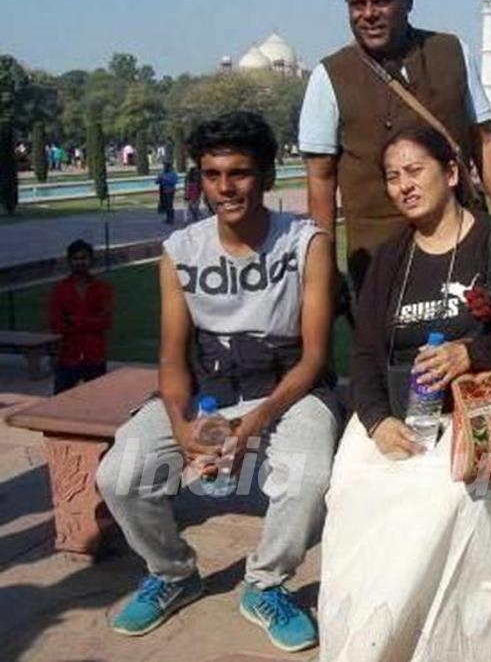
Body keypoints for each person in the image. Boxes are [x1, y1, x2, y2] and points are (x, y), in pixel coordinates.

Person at [318, 125, 491, 662]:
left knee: (436, 501)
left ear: (451, 172)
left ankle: (434, 642)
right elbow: (368, 350)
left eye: (414, 171)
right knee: (350, 493)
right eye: (392, 177)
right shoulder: (392, 258)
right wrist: (374, 420)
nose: (403, 186)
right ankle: (369, 641)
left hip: (474, 419)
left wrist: (473, 353)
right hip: (400, 413)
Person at [96, 111, 339, 652]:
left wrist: (255, 422)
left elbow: (314, 356)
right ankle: (173, 572)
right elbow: (171, 358)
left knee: (308, 476)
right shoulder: (182, 250)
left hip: (286, 384)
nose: (225, 188)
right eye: (212, 174)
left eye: (240, 173)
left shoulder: (306, 243)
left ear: (268, 177)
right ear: (199, 179)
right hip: (210, 385)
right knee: (120, 474)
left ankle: (266, 583)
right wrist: (184, 427)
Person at [299, 0, 491, 294]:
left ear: (408, 0)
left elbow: (485, 141)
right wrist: (324, 265)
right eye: (357, 4)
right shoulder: (330, 76)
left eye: (381, 1)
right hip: (381, 255)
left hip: (462, 240)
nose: (368, 14)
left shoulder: (451, 53)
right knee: (390, 348)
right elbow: (320, 179)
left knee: (475, 342)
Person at [48, 239, 114, 394]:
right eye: (76, 259)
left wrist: (74, 320)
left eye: (84, 258)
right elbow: (56, 324)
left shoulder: (103, 289)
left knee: (97, 399)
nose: (80, 262)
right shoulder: (60, 289)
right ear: (69, 261)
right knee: (60, 400)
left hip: (95, 355)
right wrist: (90, 321)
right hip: (68, 354)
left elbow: (106, 322)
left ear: (91, 261)